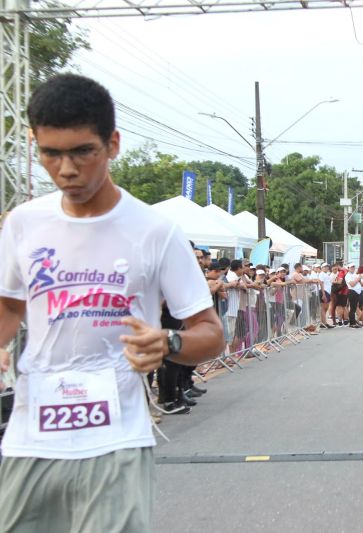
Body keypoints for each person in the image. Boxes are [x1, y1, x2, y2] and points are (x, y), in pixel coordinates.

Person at [0, 74, 223, 532]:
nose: (66, 169)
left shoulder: (155, 231)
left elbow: (211, 333)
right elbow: (8, 306)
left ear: (113, 143)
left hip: (116, 437)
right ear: (35, 144)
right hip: (31, 435)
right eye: (51, 153)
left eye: (83, 151)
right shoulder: (24, 223)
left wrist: (169, 341)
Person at [344, 263, 362, 329]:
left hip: (357, 292)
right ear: (348, 268)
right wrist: (358, 278)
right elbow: (352, 284)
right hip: (352, 292)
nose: (353, 268)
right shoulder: (347, 276)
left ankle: (353, 322)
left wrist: (359, 278)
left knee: (354, 308)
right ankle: (352, 323)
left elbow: (359, 282)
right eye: (351, 267)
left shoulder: (354, 274)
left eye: (354, 267)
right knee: (352, 308)